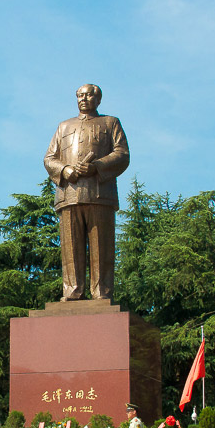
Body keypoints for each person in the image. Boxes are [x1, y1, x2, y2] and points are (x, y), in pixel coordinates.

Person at [44, 84, 130, 301]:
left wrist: (97, 166)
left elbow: (122, 153)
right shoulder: (64, 126)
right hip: (69, 194)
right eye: (80, 95)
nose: (84, 99)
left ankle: (102, 293)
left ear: (98, 99)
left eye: (89, 95)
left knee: (102, 247)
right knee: (70, 248)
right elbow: (49, 158)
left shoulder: (110, 123)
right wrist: (65, 169)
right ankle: (72, 290)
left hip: (100, 194)